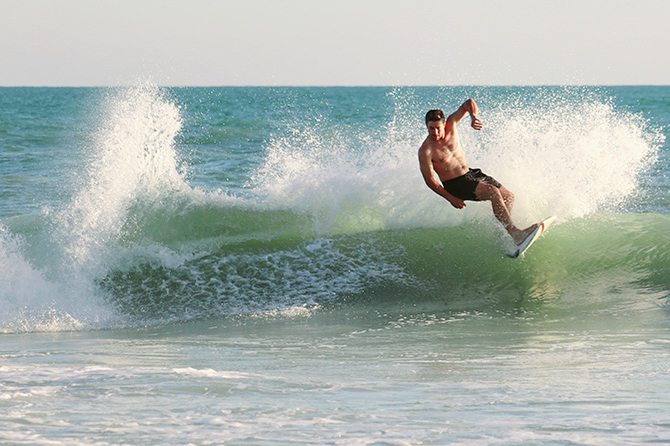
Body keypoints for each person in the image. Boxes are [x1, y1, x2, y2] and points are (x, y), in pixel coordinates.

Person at [418, 99, 536, 245]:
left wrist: (473, 117)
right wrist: (451, 199)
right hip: (455, 184)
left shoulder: (452, 124)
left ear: (444, 124)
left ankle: (503, 232)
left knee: (508, 197)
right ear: (427, 126)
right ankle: (515, 233)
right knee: (493, 192)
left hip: (470, 174)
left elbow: (468, 102)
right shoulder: (426, 151)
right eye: (431, 128)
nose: (435, 132)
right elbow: (430, 181)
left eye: (438, 128)